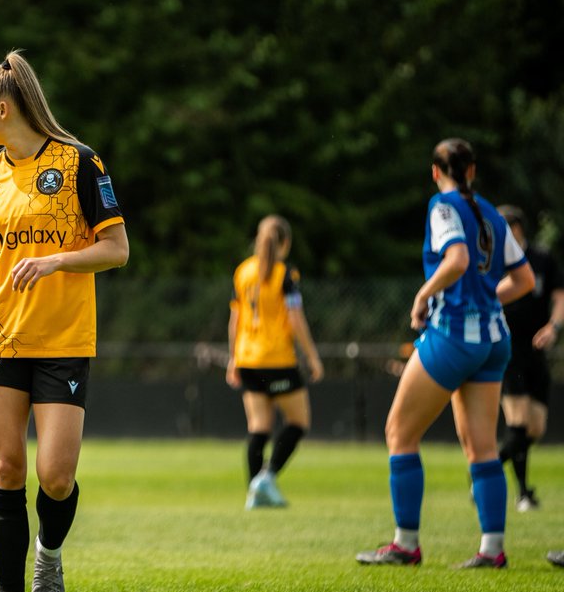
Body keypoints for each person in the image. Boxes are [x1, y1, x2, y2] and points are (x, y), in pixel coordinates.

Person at [0, 51, 129, 592]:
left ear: (2, 107)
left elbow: (117, 250)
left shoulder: (80, 164)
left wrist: (55, 262)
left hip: (65, 339)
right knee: (5, 468)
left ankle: (49, 552)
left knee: (56, 476)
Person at [357, 138, 534, 569]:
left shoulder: (442, 207)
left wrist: (423, 295)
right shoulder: (492, 213)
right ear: (471, 171)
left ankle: (406, 544)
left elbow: (455, 259)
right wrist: (488, 295)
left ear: (436, 173)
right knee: (482, 446)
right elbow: (525, 279)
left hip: (454, 336)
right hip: (495, 340)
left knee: (399, 432)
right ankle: (492, 549)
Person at [226, 215, 324, 509]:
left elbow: (235, 320)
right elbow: (295, 319)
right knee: (298, 421)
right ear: (286, 242)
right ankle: (265, 479)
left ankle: (254, 492)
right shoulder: (286, 273)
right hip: (278, 359)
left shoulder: (243, 272)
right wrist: (312, 357)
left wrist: (233, 359)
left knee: (259, 427)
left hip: (248, 358)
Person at [494, 205, 564, 512]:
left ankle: (485, 470)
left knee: (535, 428)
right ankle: (523, 493)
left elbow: (560, 297)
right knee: (518, 422)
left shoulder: (541, 258)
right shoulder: (492, 261)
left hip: (536, 351)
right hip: (507, 349)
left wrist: (554, 326)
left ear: (517, 229)